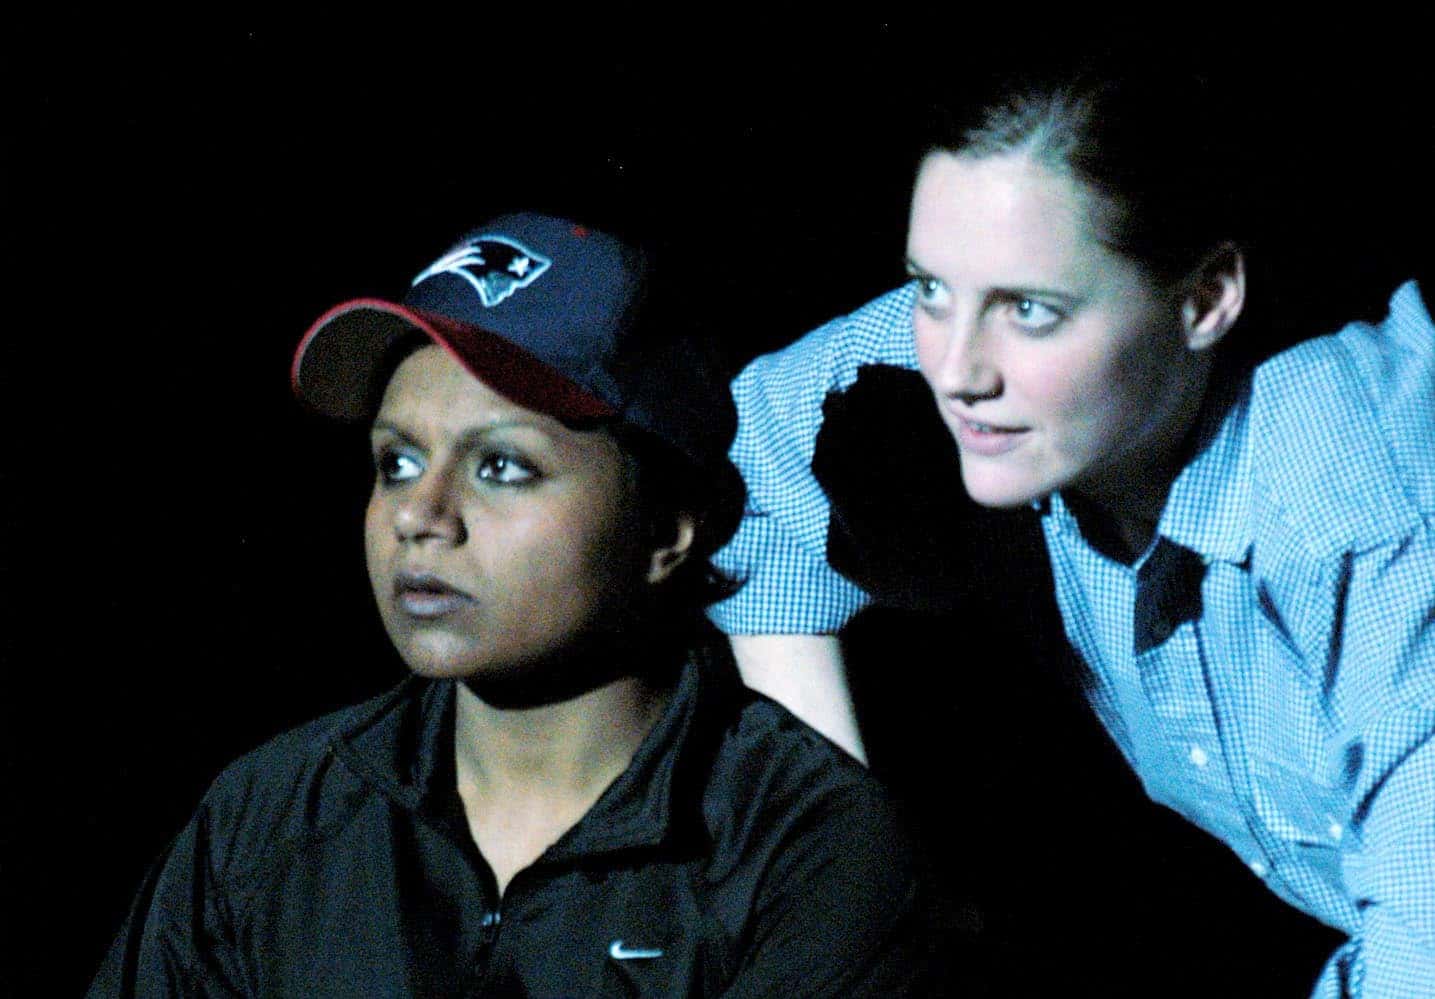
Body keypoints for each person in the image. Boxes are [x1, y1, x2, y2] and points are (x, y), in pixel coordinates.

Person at [710, 62, 1435, 996]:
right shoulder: (1005, 350)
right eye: (929, 288)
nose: (956, 372)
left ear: (1206, 298)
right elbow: (744, 464)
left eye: (1028, 311)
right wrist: (844, 859)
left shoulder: (1372, 525)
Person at [88, 212, 938, 997]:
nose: (420, 515)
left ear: (669, 525)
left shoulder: (809, 846)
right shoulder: (271, 815)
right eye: (397, 462)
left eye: (501, 466)